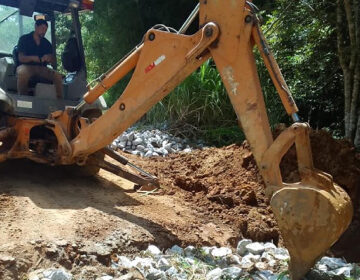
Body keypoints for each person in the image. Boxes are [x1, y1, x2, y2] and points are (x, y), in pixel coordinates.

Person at [16, 19, 63, 98]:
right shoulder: (24, 39)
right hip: (26, 67)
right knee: (22, 73)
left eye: (45, 29)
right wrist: (33, 58)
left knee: (58, 76)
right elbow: (21, 58)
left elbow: (54, 62)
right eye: (42, 28)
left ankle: (59, 102)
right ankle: (23, 99)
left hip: (42, 68)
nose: (44, 31)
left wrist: (50, 58)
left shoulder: (47, 43)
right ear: (36, 27)